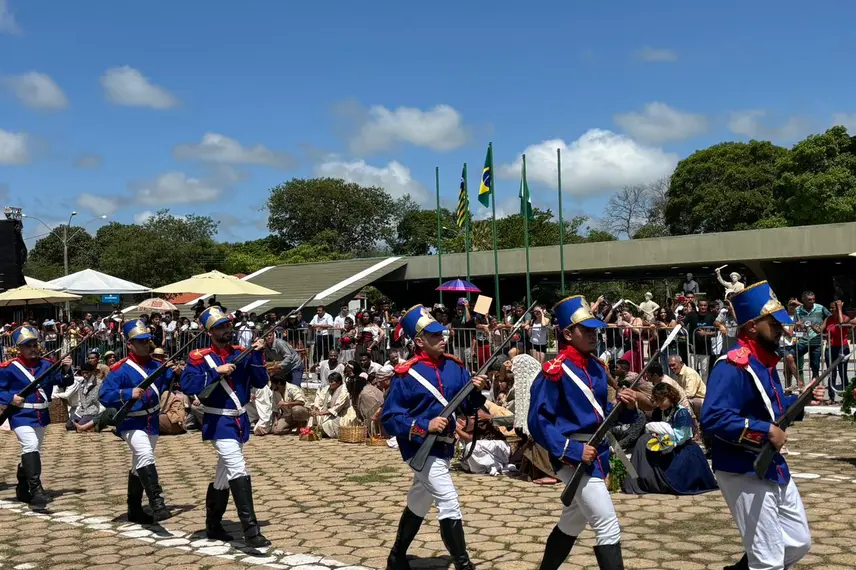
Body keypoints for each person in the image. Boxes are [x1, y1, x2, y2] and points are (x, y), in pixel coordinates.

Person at [702, 281, 826, 570]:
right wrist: (765, 430)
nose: (781, 329)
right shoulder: (733, 365)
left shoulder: (764, 362)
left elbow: (773, 408)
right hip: (741, 466)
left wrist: (803, 400)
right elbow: (713, 417)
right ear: (752, 327)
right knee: (768, 560)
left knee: (798, 542)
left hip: (770, 463)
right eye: (773, 323)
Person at [528, 295, 638, 570]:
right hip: (572, 458)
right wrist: (572, 450)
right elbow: (538, 421)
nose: (592, 334)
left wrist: (625, 407)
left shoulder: (597, 367)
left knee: (572, 521)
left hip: (598, 453)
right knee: (607, 525)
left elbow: (600, 414)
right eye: (585, 329)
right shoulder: (554, 371)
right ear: (567, 334)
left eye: (594, 329)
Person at [381, 305, 487, 570]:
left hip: (445, 447)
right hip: (420, 448)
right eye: (435, 335)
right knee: (449, 501)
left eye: (442, 334)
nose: (443, 338)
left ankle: (396, 556)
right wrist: (424, 426)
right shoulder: (405, 374)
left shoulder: (455, 366)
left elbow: (468, 406)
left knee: (419, 500)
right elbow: (390, 419)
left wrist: (476, 389)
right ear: (419, 341)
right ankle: (463, 565)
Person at [180, 306, 271, 547]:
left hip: (239, 420)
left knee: (224, 473)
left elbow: (261, 382)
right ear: (210, 332)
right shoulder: (199, 357)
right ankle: (251, 530)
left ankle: (213, 524)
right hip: (218, 421)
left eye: (227, 325)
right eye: (220, 327)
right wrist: (215, 372)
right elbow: (188, 385)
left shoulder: (242, 352)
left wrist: (258, 354)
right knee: (237, 468)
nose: (226, 330)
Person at [99, 320, 176, 523]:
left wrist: (174, 372)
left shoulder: (157, 365)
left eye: (146, 340)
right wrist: (127, 393)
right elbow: (104, 395)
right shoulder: (119, 369)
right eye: (140, 341)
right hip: (131, 421)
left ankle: (134, 509)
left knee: (139, 464)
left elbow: (164, 384)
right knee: (145, 454)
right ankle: (157, 501)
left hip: (152, 420)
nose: (145, 344)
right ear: (129, 344)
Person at [0, 326, 74, 507]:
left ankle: (22, 486)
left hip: (41, 414)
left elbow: (64, 381)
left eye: (34, 345)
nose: (33, 349)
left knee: (32, 450)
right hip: (20, 414)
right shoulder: (9, 368)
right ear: (19, 348)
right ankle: (36, 490)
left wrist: (66, 368)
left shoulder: (47, 365)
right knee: (30, 445)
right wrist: (10, 398)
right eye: (28, 346)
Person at [623, 382, 717, 495]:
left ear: (671, 397)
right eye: (656, 400)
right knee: (644, 440)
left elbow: (681, 437)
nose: (658, 404)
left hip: (681, 449)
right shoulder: (659, 411)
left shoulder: (681, 412)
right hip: (664, 445)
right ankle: (642, 478)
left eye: (661, 400)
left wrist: (663, 436)